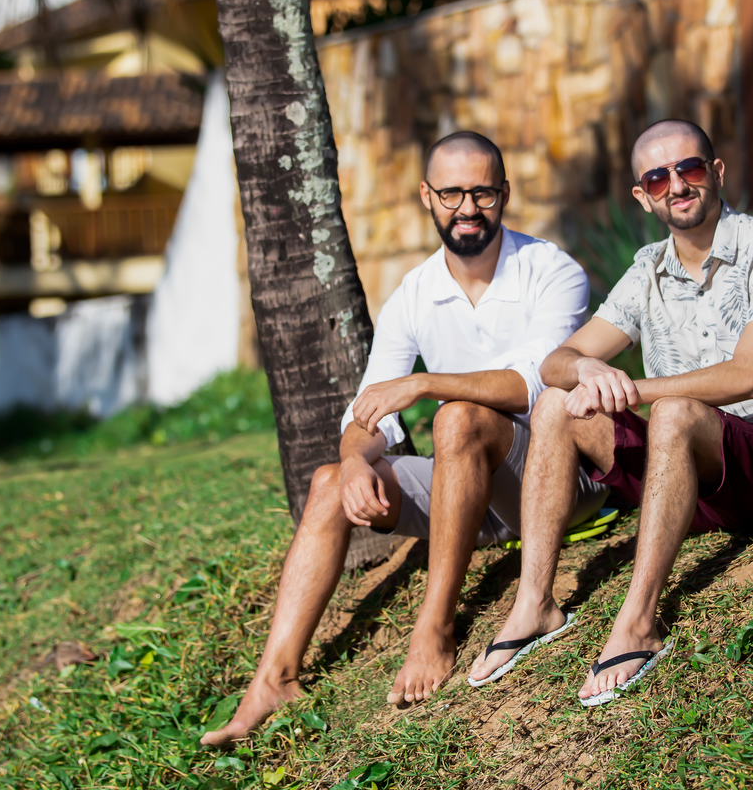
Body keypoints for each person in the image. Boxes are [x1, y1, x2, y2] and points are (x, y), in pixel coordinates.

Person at [201, 132, 608, 745]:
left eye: (482, 192)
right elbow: (372, 410)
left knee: (457, 416)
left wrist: (425, 385)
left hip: (560, 480)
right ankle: (275, 678)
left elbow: (533, 382)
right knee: (329, 481)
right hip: (472, 487)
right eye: (451, 193)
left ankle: (435, 627)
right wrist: (356, 459)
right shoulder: (415, 293)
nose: (467, 207)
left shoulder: (550, 270)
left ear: (504, 193)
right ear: (427, 196)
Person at [466, 119, 753, 706]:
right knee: (561, 401)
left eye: (688, 169)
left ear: (714, 173)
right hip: (689, 478)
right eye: (658, 178)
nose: (676, 186)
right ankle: (535, 604)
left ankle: (638, 621)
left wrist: (631, 388)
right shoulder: (647, 270)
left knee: (674, 412)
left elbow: (748, 374)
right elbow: (558, 361)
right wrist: (589, 371)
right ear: (643, 195)